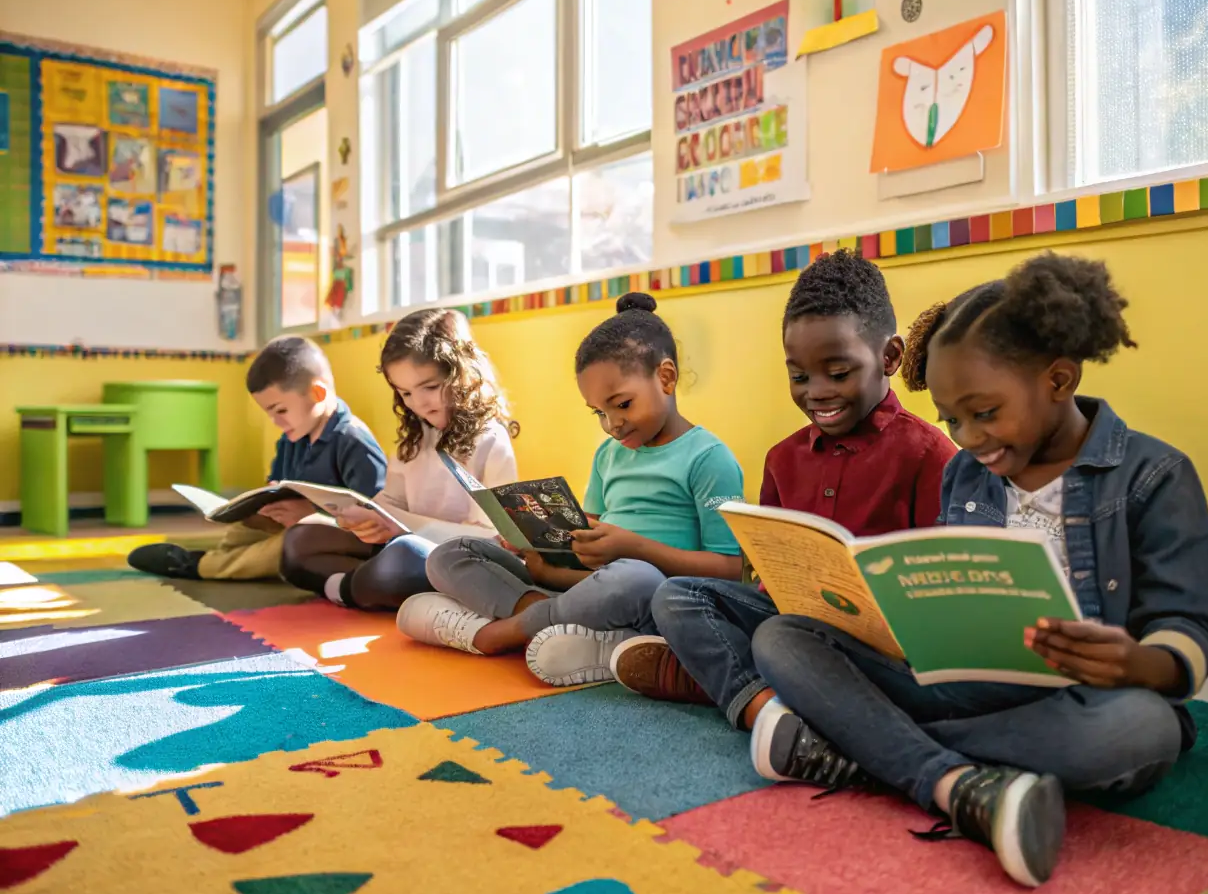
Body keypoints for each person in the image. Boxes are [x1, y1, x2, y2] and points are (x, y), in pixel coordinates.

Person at [748, 253, 1208, 889]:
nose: (968, 437)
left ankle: (868, 749)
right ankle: (950, 775)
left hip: (1092, 698)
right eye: (951, 419)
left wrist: (1139, 663)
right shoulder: (966, 474)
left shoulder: (1154, 475)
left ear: (1057, 379)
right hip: (971, 685)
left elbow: (1189, 621)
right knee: (782, 635)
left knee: (1144, 732)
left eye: (985, 413)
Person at [611, 249, 956, 732]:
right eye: (799, 376)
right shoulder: (782, 459)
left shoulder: (930, 454)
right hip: (787, 618)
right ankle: (764, 702)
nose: (816, 391)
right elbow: (762, 572)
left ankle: (726, 681)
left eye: (838, 374)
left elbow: (941, 593)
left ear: (890, 357)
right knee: (675, 597)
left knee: (779, 637)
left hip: (877, 646)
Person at [395, 292, 745, 686]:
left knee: (635, 576)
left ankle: (506, 631)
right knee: (451, 554)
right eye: (599, 412)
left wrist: (634, 547)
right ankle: (551, 615)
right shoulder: (609, 454)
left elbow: (733, 571)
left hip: (648, 595)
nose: (612, 424)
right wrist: (538, 544)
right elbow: (591, 525)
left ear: (665, 377)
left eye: (623, 404)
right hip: (586, 582)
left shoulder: (708, 458)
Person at [278, 308, 518, 609]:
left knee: (401, 558)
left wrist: (399, 526)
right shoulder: (417, 438)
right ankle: (353, 587)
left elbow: (492, 539)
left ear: (462, 374)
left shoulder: (491, 440)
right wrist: (362, 518)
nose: (419, 404)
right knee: (299, 541)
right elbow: (390, 504)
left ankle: (346, 588)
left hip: (456, 561)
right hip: (399, 545)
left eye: (429, 387)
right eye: (405, 393)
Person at [128, 336, 387, 581]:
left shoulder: (354, 441)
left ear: (318, 394)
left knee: (287, 544)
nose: (275, 421)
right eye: (269, 413)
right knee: (248, 522)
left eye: (281, 410)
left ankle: (200, 565)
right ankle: (230, 559)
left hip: (339, 537)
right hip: (296, 523)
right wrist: (264, 502)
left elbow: (375, 522)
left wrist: (312, 515)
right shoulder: (293, 436)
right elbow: (281, 486)